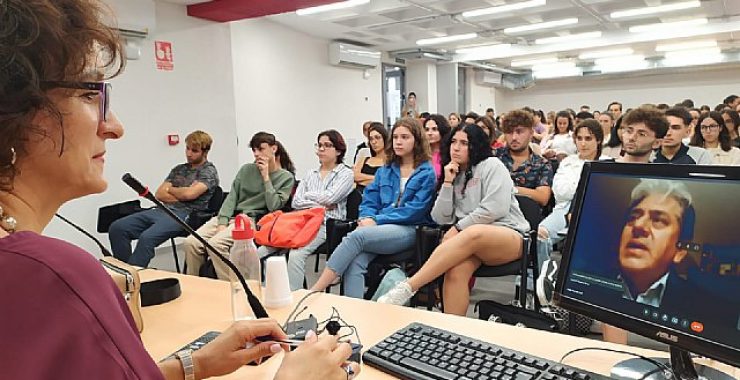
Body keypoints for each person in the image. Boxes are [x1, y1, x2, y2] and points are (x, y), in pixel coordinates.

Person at [0, 1, 359, 379]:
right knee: (189, 240)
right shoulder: (52, 274)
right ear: (17, 113)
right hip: (231, 222)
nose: (115, 126)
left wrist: (193, 364)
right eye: (91, 95)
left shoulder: (34, 267)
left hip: (259, 225)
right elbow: (206, 195)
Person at [378, 124, 529, 314]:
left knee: (473, 232)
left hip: (510, 235)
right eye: (453, 142)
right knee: (455, 271)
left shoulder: (492, 165)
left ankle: (408, 287)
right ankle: (453, 330)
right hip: (471, 241)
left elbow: (494, 209)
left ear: (476, 146)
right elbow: (440, 216)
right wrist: (448, 182)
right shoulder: (454, 172)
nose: (456, 148)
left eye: (464, 143)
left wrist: (458, 228)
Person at [310, 117, 436, 298]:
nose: (398, 142)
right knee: (355, 262)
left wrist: (375, 220)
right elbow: (369, 200)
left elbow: (414, 211)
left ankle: (317, 289)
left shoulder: (426, 172)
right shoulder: (386, 169)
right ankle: (355, 314)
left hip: (410, 230)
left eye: (405, 137)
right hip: (379, 230)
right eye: (396, 137)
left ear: (417, 140)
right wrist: (366, 218)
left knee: (357, 237)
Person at [184, 132, 296, 280]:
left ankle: (233, 286)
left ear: (273, 149)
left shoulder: (286, 177)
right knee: (190, 243)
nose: (256, 154)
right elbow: (232, 197)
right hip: (230, 216)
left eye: (261, 149)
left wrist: (266, 178)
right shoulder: (246, 170)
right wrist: (222, 221)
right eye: (254, 150)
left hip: (251, 220)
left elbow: (273, 206)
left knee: (216, 244)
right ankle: (196, 284)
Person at [258, 130, 354, 291]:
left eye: (327, 145)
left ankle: (295, 298)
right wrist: (319, 204)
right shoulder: (311, 174)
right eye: (319, 145)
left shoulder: (346, 174)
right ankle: (270, 292)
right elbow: (296, 201)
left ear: (338, 150)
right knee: (261, 252)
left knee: (296, 255)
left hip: (326, 225)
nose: (321, 149)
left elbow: (331, 198)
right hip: (302, 221)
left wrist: (310, 198)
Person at [109, 131, 219, 267]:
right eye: (187, 148)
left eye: (194, 151)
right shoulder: (179, 169)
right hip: (162, 210)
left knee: (147, 238)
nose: (189, 153)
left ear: (205, 152)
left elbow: (189, 195)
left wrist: (172, 190)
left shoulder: (208, 172)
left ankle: (131, 278)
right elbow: (160, 194)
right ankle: (124, 270)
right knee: (117, 228)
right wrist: (183, 193)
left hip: (187, 214)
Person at [536, 120, 609, 301]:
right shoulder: (568, 161)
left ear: (598, 140)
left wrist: (578, 186)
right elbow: (560, 191)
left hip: (596, 210)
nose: (583, 143)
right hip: (564, 209)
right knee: (541, 233)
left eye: (588, 138)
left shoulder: (607, 162)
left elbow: (600, 193)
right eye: (579, 138)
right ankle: (544, 280)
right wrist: (584, 183)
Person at [618, 180, 694, 307]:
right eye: (633, 217)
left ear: (680, 250)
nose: (638, 225)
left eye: (658, 220)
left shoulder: (705, 307)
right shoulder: (589, 283)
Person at [494, 110, 554, 207]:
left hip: (527, 216)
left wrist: (509, 189)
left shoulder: (541, 164)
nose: (514, 137)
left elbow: (543, 197)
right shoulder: (494, 157)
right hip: (494, 213)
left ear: (531, 133)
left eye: (519, 132)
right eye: (509, 132)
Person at [353, 122, 387, 194]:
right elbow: (354, 176)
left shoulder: (390, 162)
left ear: (384, 138)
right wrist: (376, 179)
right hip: (359, 197)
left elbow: (386, 182)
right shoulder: (364, 159)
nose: (374, 142)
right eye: (371, 139)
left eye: (377, 138)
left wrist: (362, 179)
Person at [424, 114, 451, 181]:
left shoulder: (449, 153)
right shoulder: (421, 153)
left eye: (434, 129)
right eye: (427, 130)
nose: (430, 133)